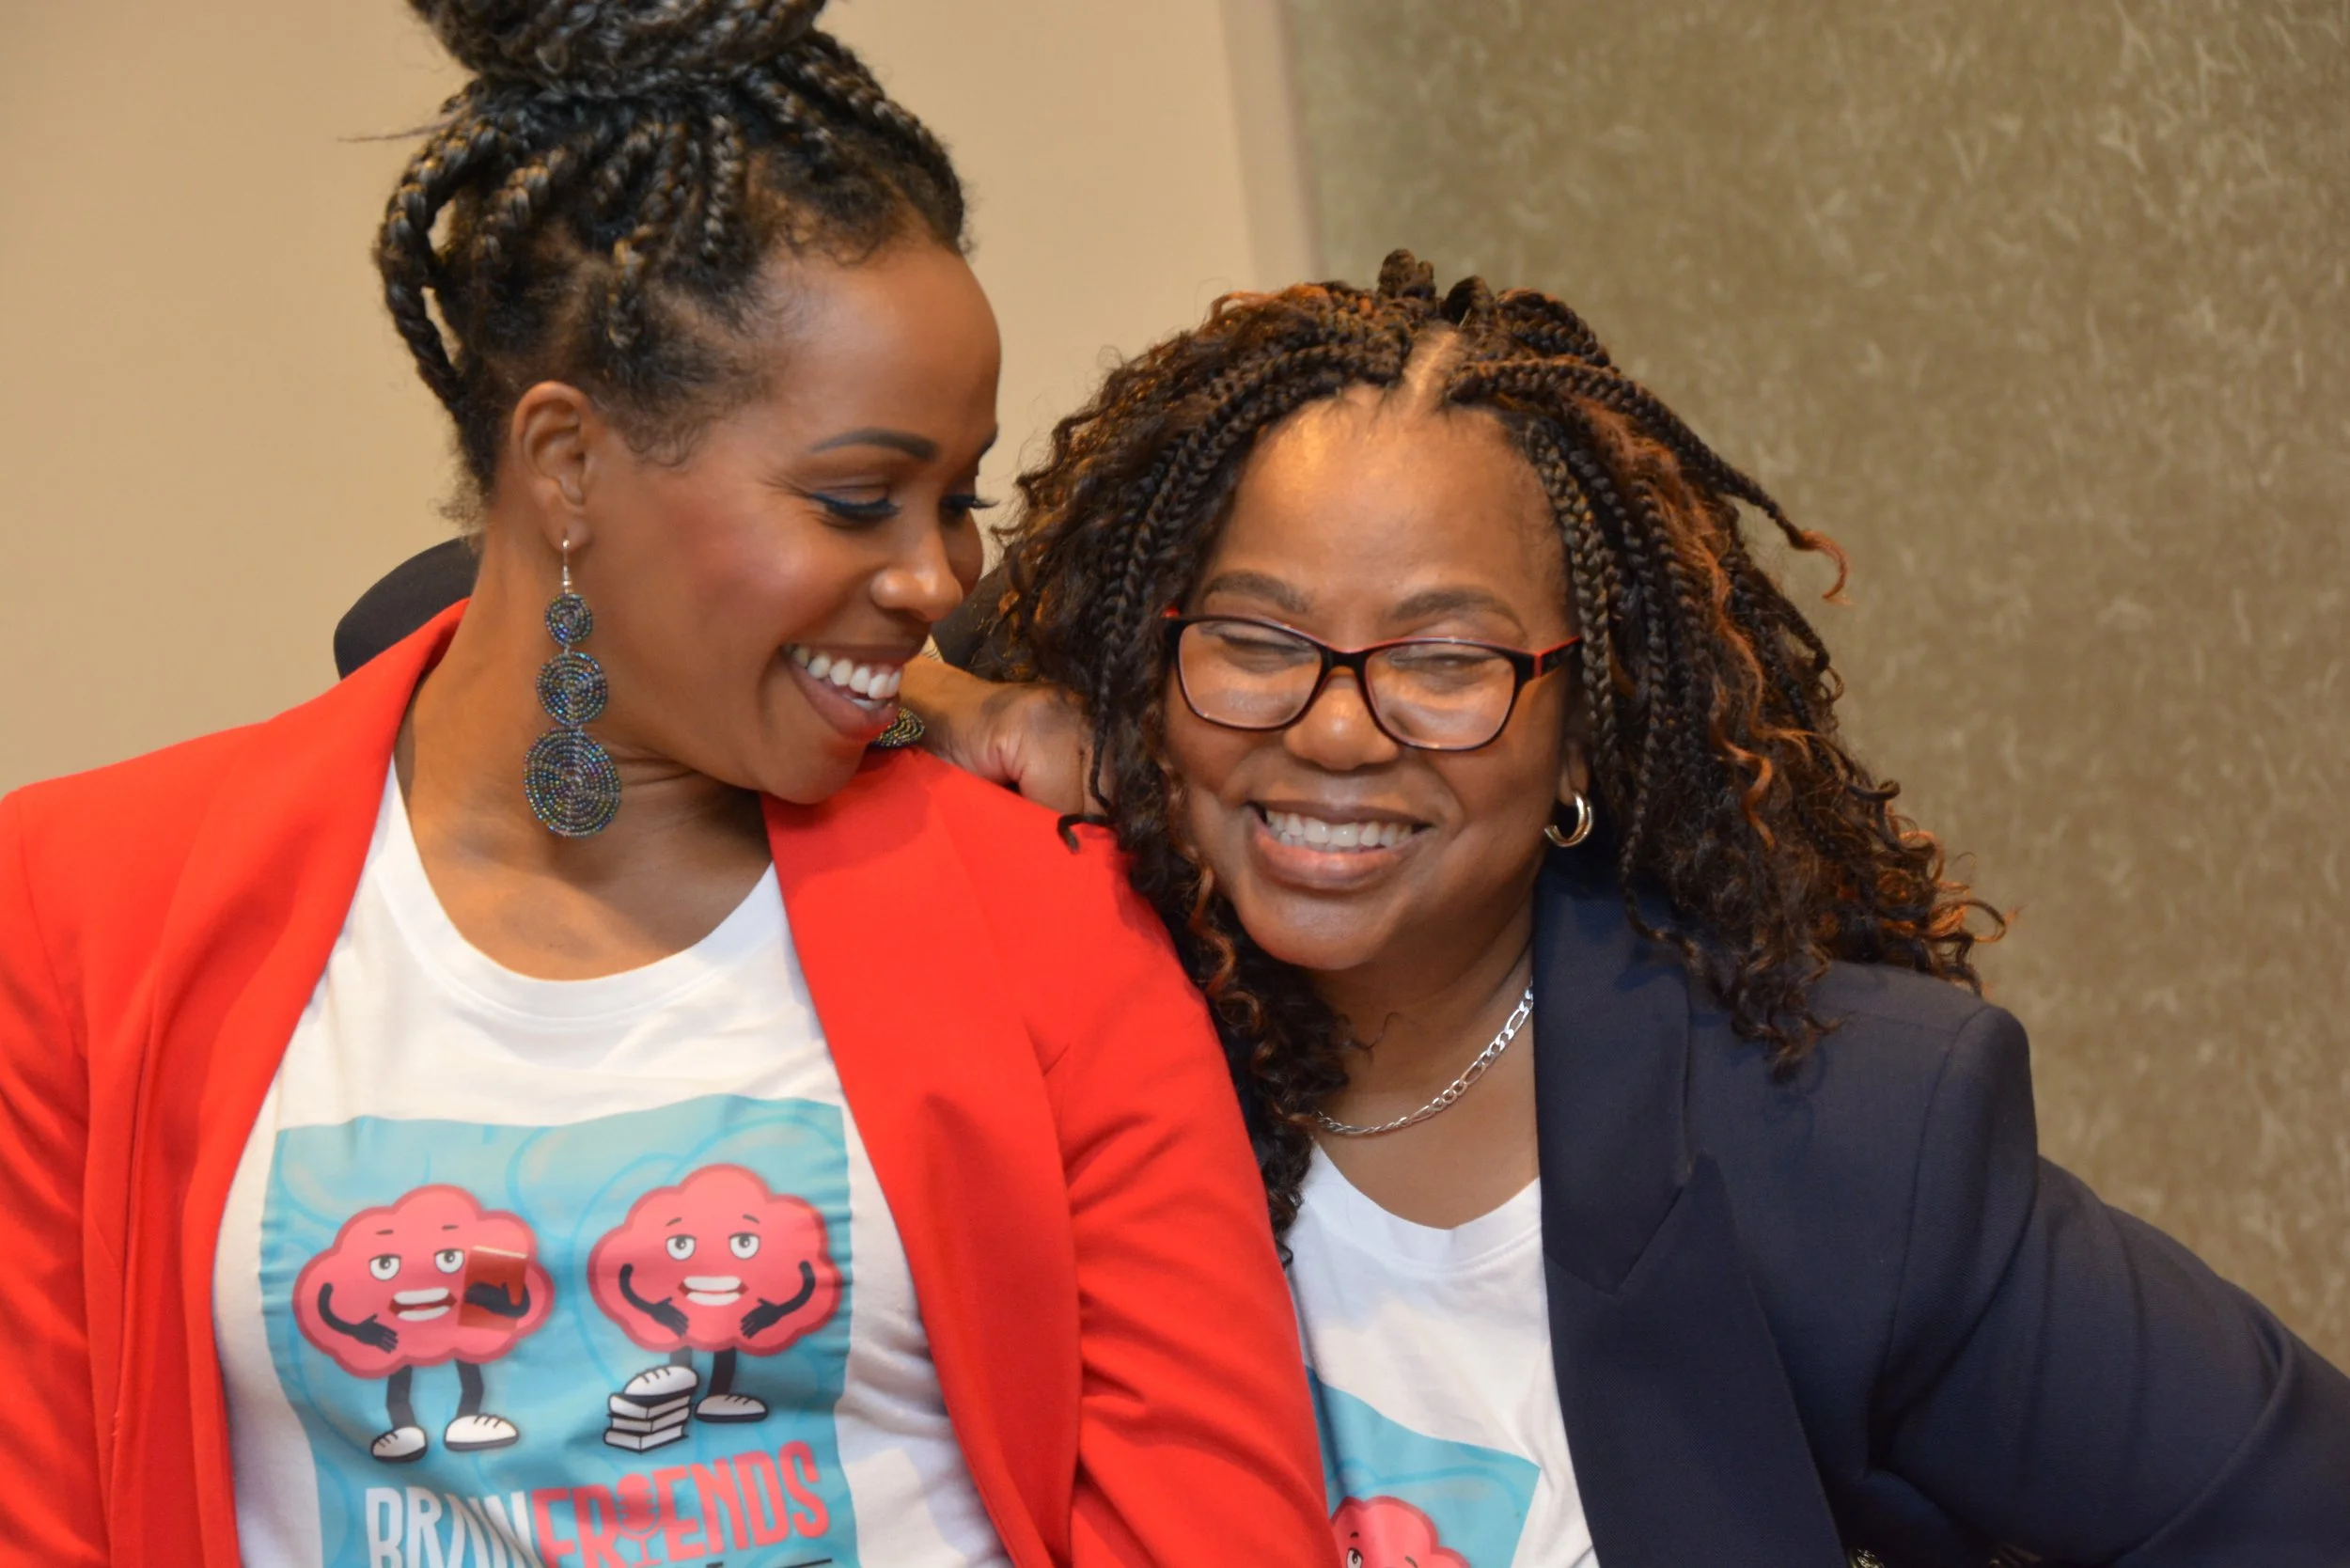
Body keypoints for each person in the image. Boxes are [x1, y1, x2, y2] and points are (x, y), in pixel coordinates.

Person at [330, 256, 2350, 1560]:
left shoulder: (1833, 1137)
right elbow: (445, 626)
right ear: (1145, 657)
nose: (1335, 730)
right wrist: (961, 699)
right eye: (1255, 639)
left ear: (1581, 721)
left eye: (1447, 660)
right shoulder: (1050, 988)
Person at [0, 7, 1335, 1567]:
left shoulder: (1053, 921)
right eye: (858, 498)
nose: (939, 580)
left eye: (956, 498)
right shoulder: (77, 913)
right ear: (567, 465)